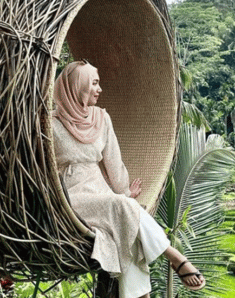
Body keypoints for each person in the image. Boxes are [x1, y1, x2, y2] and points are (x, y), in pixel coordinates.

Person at [52, 61, 205, 298]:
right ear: (76, 86)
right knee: (123, 209)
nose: (100, 89)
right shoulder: (50, 124)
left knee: (126, 227)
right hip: (70, 195)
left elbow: (113, 162)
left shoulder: (102, 119)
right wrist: (123, 200)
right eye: (94, 83)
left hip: (100, 190)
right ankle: (173, 256)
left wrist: (124, 191)